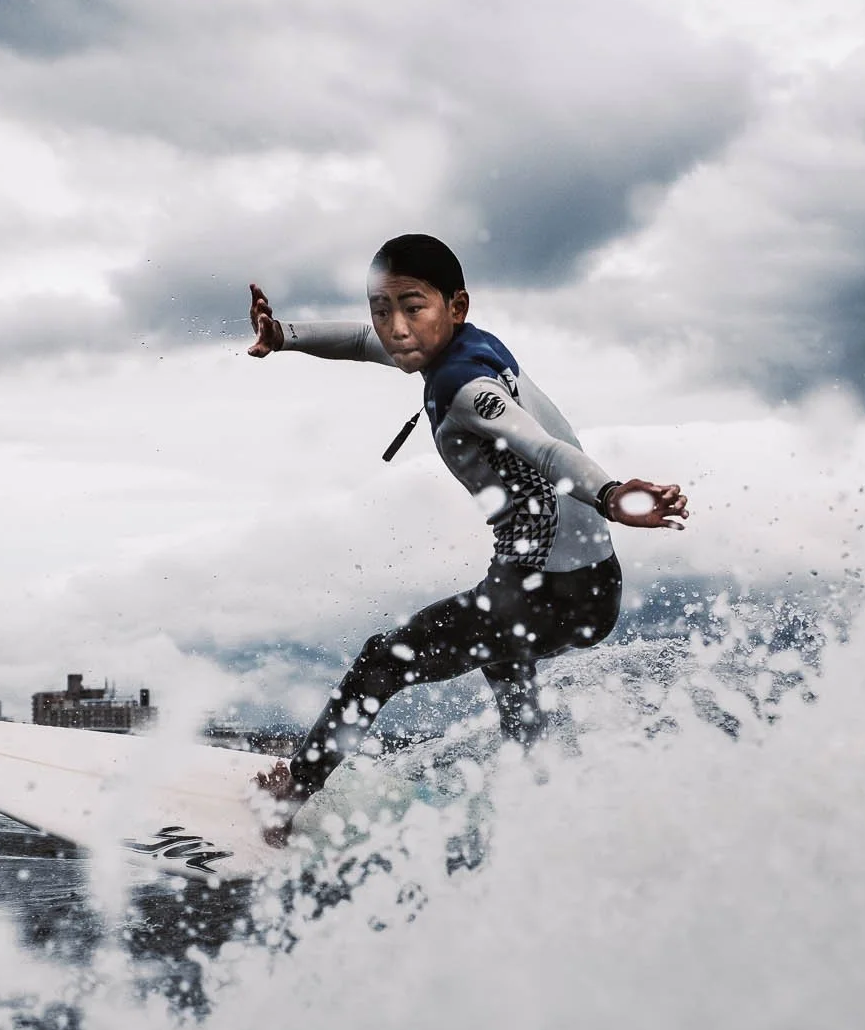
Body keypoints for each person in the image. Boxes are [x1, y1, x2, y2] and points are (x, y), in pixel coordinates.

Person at [246, 233, 689, 841]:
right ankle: (545, 802)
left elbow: (544, 448)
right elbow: (356, 340)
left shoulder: (464, 388)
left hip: (547, 592)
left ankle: (288, 800)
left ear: (456, 306)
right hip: (586, 586)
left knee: (384, 660)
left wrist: (613, 495)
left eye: (411, 307)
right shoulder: (464, 345)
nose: (394, 327)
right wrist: (285, 336)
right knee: (505, 659)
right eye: (382, 308)